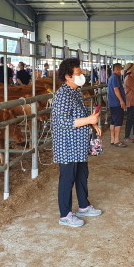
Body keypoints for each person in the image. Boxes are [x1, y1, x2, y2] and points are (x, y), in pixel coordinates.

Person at [51, 57, 102, 228]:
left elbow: (81, 114)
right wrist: (88, 120)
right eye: (78, 73)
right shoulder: (63, 95)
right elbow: (62, 122)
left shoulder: (75, 92)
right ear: (68, 76)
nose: (82, 76)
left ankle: (83, 206)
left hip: (79, 144)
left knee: (82, 175)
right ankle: (65, 215)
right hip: (67, 145)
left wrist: (92, 122)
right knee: (67, 179)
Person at [107, 62, 127, 147]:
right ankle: (117, 141)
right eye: (121, 69)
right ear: (118, 69)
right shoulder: (115, 77)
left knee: (113, 121)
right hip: (116, 103)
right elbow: (116, 89)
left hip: (112, 103)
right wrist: (121, 101)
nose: (122, 70)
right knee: (118, 122)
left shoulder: (112, 77)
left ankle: (112, 139)